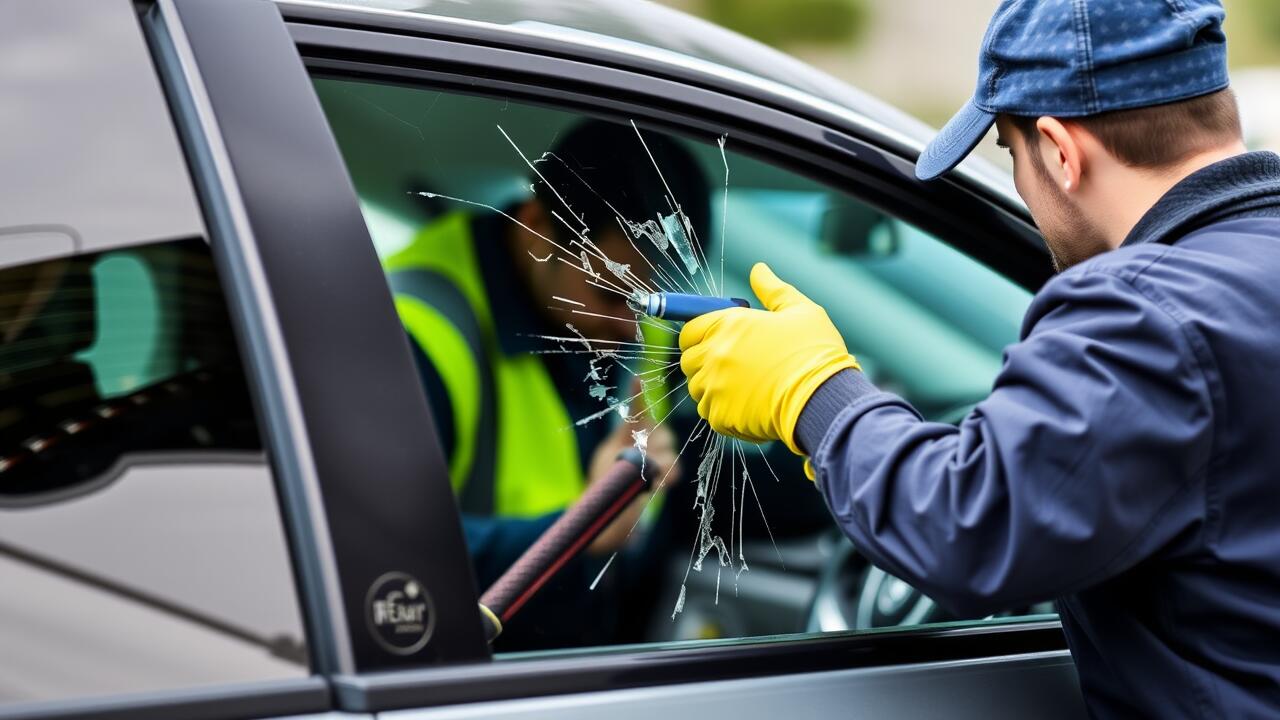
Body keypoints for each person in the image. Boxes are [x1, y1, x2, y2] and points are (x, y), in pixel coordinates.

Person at [679, 0, 1280, 716]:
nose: (1022, 186)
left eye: (1008, 151)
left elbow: (967, 527)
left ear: (1060, 151)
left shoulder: (1141, 312)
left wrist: (811, 393)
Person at [387, 120, 705, 648]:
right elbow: (386, 564)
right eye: (610, 294)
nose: (634, 327)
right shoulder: (415, 334)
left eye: (655, 300)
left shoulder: (631, 315)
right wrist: (583, 529)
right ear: (538, 229)